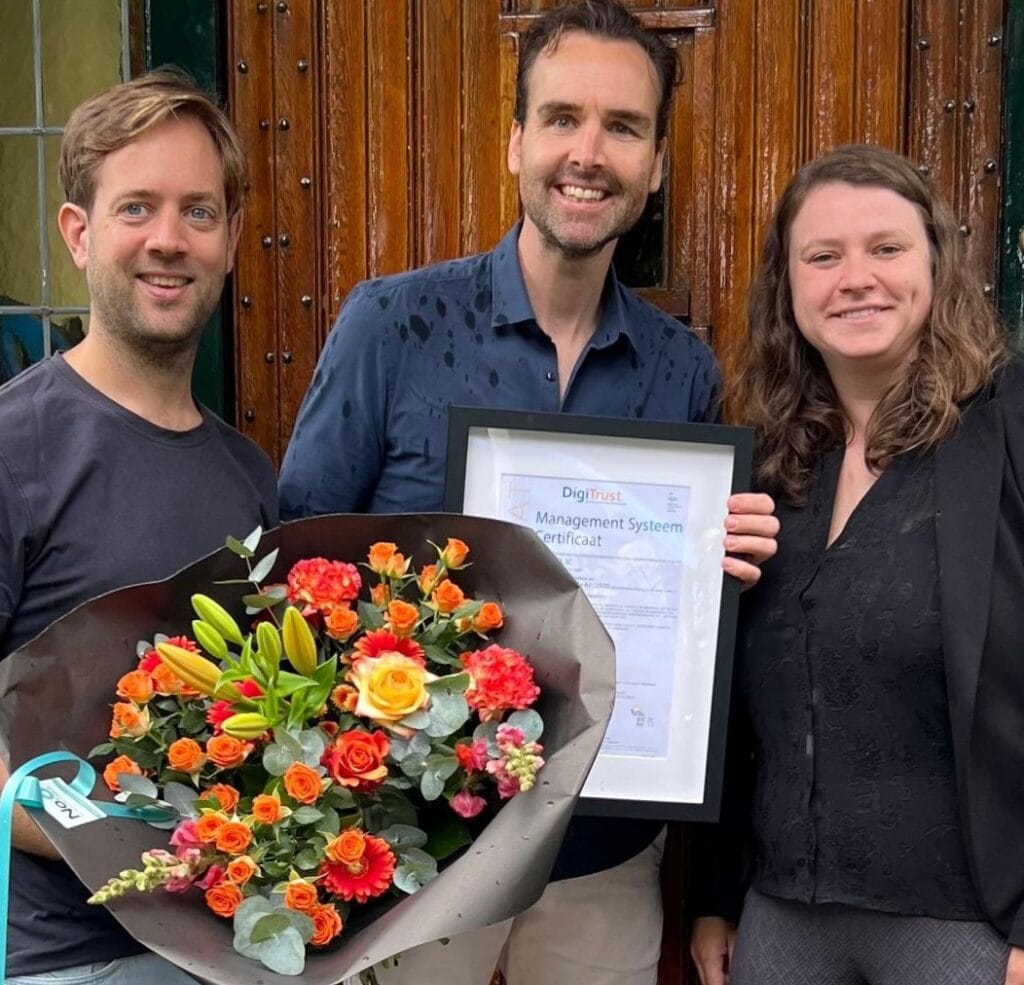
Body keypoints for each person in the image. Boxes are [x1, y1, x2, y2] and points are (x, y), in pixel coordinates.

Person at [280, 2, 777, 983]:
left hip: (604, 856)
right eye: (561, 118)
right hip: (419, 848)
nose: (587, 153)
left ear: (656, 164)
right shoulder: (392, 325)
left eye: (622, 126)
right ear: (515, 142)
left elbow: (694, 639)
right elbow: (295, 560)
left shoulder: (681, 370)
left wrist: (726, 569)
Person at [689, 143, 1024, 985]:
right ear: (788, 286)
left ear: (935, 265)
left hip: (964, 927)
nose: (856, 278)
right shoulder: (768, 465)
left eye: (886, 247)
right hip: (782, 920)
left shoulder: (1009, 431)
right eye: (823, 256)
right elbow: (736, 708)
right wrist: (714, 894)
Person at [0, 70, 278, 985]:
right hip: (63, 959)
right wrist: (134, 848)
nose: (169, 238)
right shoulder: (14, 446)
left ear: (231, 239)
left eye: (199, 212)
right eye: (137, 208)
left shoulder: (248, 477)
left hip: (234, 949)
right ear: (79, 233)